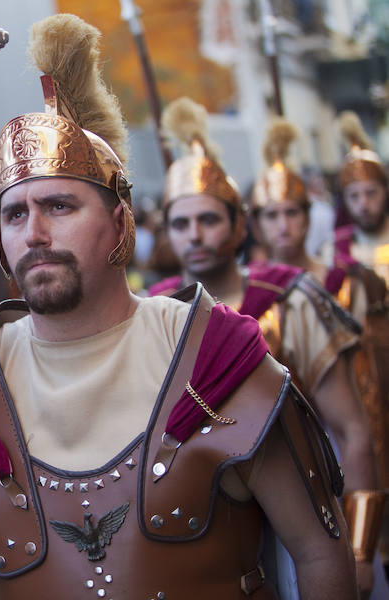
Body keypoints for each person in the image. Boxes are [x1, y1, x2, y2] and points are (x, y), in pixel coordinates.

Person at [0, 15, 356, 598]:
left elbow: (320, 551)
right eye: (15, 214)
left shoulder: (213, 356)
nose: (34, 231)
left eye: (60, 205)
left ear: (120, 221)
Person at [149, 96, 375, 595]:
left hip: (305, 519)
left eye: (208, 219)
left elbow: (351, 430)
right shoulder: (154, 313)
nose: (195, 235)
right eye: (181, 224)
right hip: (202, 536)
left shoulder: (289, 298)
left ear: (238, 223)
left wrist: (361, 549)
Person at [249, 117, 389, 585]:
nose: (284, 225)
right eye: (271, 214)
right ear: (255, 223)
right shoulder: (250, 298)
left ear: (309, 216)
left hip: (362, 423)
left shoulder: (346, 279)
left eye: (292, 211)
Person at [324, 111, 389, 285]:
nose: (363, 204)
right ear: (344, 199)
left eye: (371, 192)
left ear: (385, 191)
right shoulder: (333, 251)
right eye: (354, 196)